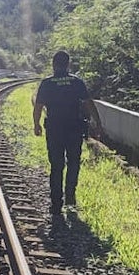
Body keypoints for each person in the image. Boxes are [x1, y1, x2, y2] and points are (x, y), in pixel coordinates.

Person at [33, 50, 102, 214]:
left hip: (54, 129)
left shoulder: (47, 83)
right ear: (68, 64)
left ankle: (56, 202)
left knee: (56, 165)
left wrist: (36, 124)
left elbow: (38, 106)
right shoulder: (76, 82)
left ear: (53, 64)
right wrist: (98, 122)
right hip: (74, 128)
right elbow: (88, 103)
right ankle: (70, 197)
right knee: (73, 163)